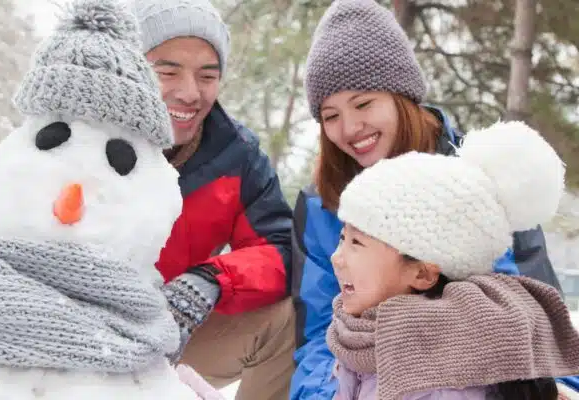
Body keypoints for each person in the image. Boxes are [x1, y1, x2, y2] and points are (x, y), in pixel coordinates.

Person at [290, 0, 564, 399]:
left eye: (364, 103)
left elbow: (534, 316)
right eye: (330, 116)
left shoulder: (482, 181)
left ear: (402, 96)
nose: (349, 128)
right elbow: (316, 333)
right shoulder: (321, 204)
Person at [327, 119, 579, 399]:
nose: (337, 258)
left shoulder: (442, 386)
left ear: (423, 274)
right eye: (342, 238)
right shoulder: (360, 336)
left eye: (357, 243)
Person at [131, 1, 296, 399]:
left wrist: (211, 280)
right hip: (70, 338)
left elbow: (281, 248)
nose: (190, 93)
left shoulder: (235, 156)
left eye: (208, 75)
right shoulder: (77, 138)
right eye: (167, 72)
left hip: (172, 334)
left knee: (287, 318)